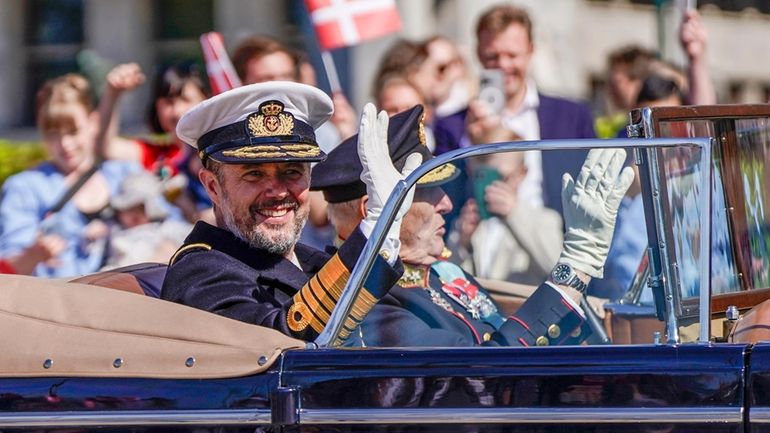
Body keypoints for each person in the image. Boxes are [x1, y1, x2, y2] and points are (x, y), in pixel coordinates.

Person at [311, 105, 634, 347]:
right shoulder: (364, 303)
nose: (446, 203)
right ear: (375, 210)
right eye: (425, 191)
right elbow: (484, 376)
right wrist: (575, 266)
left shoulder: (436, 272)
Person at [161, 82, 420, 343]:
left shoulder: (311, 260)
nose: (278, 192)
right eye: (254, 174)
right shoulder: (200, 272)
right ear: (213, 187)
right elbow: (285, 345)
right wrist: (377, 229)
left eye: (292, 172)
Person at [434, 3, 596, 217]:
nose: (503, 65)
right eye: (493, 56)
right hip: (481, 244)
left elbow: (593, 186)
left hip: (557, 241)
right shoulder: (453, 126)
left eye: (512, 55)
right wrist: (469, 142)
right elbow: (447, 200)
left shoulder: (572, 116)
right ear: (478, 54)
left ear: (530, 50)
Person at [0, 74, 140, 278]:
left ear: (93, 123)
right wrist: (33, 255)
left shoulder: (124, 174)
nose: (65, 144)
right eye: (53, 134)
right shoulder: (24, 188)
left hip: (130, 301)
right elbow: (7, 274)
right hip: (57, 304)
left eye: (73, 131)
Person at [232, 35, 355, 250]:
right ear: (242, 84)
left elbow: (320, 213)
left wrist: (348, 143)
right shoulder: (229, 138)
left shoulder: (321, 133)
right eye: (267, 79)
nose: (280, 86)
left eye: (286, 76)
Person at [98, 63, 213, 224]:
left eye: (185, 99)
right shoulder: (155, 154)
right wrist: (112, 93)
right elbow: (106, 147)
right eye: (168, 102)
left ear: (207, 100)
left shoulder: (217, 152)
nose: (177, 111)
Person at [448, 147, 563, 285]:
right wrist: (463, 245)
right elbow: (448, 276)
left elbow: (557, 269)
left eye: (501, 177)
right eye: (482, 177)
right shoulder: (467, 222)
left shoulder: (546, 220)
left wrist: (515, 214)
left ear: (522, 173)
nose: (492, 188)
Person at [102, 171, 191, 269]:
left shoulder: (168, 228)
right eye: (128, 209)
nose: (134, 214)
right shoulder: (117, 236)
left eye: (139, 208)